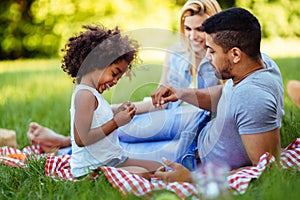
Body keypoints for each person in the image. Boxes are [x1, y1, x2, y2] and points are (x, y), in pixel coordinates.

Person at [27, 0, 222, 169]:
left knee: (153, 144)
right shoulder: (177, 54)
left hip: (199, 120)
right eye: (188, 28)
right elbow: (159, 102)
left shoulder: (220, 56)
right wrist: (112, 110)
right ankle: (67, 147)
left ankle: (64, 145)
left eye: (200, 29)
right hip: (171, 115)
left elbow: (223, 99)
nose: (192, 36)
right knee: (124, 132)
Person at [153, 7, 284, 182]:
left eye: (212, 51)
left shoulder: (253, 98)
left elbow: (266, 170)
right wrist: (181, 93)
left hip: (192, 161)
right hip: (199, 130)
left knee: (117, 152)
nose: (207, 56)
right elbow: (225, 93)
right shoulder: (259, 62)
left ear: (236, 54)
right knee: (121, 135)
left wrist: (192, 178)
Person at [59, 24, 162, 179]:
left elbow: (97, 116)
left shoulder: (93, 93)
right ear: (96, 63)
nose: (115, 82)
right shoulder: (84, 94)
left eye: (118, 78)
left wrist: (118, 111)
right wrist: (115, 123)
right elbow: (82, 139)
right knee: (145, 174)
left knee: (160, 168)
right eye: (114, 74)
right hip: (92, 169)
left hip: (113, 160)